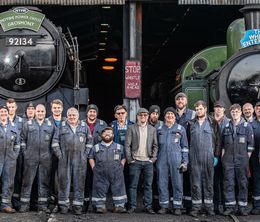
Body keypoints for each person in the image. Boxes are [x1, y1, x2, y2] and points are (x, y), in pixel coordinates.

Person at [52, 107, 93, 215]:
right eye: (69, 115)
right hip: (64, 159)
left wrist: (85, 155)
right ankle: (64, 207)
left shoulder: (84, 127)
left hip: (80, 160)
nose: (72, 117)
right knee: (64, 183)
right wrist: (60, 155)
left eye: (74, 115)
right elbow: (55, 142)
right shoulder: (61, 126)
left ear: (78, 116)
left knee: (79, 183)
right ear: (67, 116)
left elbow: (90, 142)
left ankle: (77, 207)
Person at [187, 100, 221, 217]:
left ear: (205, 109)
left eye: (200, 109)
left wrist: (216, 156)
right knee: (195, 184)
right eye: (196, 109)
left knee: (209, 183)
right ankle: (196, 207)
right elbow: (187, 141)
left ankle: (209, 207)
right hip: (194, 158)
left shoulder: (213, 123)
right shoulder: (191, 123)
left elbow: (218, 142)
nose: (198, 111)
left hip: (208, 158)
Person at [19, 104, 55, 213]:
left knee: (44, 182)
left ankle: (42, 206)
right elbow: (22, 140)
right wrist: (26, 153)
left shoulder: (50, 125)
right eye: (38, 111)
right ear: (35, 112)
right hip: (30, 158)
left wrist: (49, 154)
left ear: (45, 112)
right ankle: (24, 205)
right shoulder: (28, 124)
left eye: (42, 111)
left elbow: (54, 142)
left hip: (45, 159)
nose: (40, 113)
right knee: (27, 182)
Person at [222, 104, 254, 216]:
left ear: (240, 112)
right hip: (228, 160)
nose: (235, 113)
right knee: (228, 183)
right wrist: (223, 158)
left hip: (242, 160)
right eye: (233, 112)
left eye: (236, 111)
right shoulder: (226, 126)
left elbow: (251, 145)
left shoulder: (247, 126)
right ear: (230, 113)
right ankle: (230, 206)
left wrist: (246, 157)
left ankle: (242, 207)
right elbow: (222, 145)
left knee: (243, 183)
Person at [125, 108, 158, 214]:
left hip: (148, 162)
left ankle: (148, 206)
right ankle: (132, 206)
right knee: (133, 185)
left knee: (148, 185)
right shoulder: (131, 128)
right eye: (140, 115)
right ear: (137, 116)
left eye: (145, 115)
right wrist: (130, 159)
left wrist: (153, 159)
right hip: (135, 161)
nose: (143, 117)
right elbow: (127, 145)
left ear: (148, 116)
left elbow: (155, 145)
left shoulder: (152, 129)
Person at [156, 107, 188, 215]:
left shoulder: (181, 129)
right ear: (164, 116)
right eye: (168, 114)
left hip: (176, 159)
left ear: (175, 116)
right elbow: (155, 146)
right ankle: (164, 206)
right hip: (162, 159)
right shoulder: (159, 129)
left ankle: (177, 206)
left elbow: (185, 147)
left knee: (177, 183)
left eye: (172, 114)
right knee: (162, 182)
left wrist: (185, 161)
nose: (170, 116)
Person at [89, 127, 127, 213]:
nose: (107, 134)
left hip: (116, 172)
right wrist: (94, 168)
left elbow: (124, 157)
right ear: (101, 135)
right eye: (105, 133)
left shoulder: (119, 146)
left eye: (109, 132)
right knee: (99, 188)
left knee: (118, 188)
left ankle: (119, 206)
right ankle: (100, 206)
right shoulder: (96, 147)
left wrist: (121, 166)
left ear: (113, 135)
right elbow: (91, 157)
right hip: (100, 172)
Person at [175, 92, 195, 213]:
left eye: (182, 99)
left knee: (188, 178)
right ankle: (177, 204)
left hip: (190, 150)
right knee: (177, 177)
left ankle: (188, 205)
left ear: (186, 101)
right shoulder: (171, 114)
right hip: (176, 151)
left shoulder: (193, 113)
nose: (180, 101)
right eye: (178, 99)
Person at [85, 104, 107, 211]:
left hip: (98, 158)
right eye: (90, 111)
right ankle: (85, 204)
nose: (92, 113)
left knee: (98, 181)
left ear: (96, 113)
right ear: (87, 113)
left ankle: (97, 205)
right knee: (84, 181)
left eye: (94, 111)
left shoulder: (103, 124)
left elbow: (108, 140)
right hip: (84, 158)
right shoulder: (81, 124)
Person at [0, 105, 20, 213]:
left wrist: (14, 155)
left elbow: (17, 143)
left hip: (10, 159)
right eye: (1, 112)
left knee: (8, 182)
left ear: (8, 114)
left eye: (4, 112)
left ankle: (5, 204)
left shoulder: (14, 126)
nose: (3, 113)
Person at [212, 100, 230, 214]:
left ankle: (225, 204)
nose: (218, 109)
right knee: (215, 181)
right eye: (216, 107)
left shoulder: (229, 122)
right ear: (214, 109)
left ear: (224, 109)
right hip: (214, 155)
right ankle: (215, 205)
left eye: (220, 107)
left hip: (226, 156)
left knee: (225, 181)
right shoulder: (210, 121)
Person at [47, 99, 65, 212]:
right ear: (51, 108)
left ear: (62, 109)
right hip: (49, 154)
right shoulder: (47, 121)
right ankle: (51, 199)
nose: (57, 110)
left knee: (63, 177)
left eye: (58, 108)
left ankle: (61, 199)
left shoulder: (67, 120)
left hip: (63, 154)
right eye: (55, 108)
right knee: (49, 177)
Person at [6, 98, 23, 210]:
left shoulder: (21, 121)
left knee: (17, 177)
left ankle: (15, 200)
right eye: (9, 107)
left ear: (16, 107)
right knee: (5, 177)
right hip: (5, 154)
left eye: (12, 107)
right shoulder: (2, 119)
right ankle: (4, 201)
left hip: (18, 154)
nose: (11, 109)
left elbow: (23, 137)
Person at [251, 102, 260, 215]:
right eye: (257, 108)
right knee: (256, 181)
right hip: (255, 158)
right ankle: (257, 205)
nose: (259, 110)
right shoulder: (251, 124)